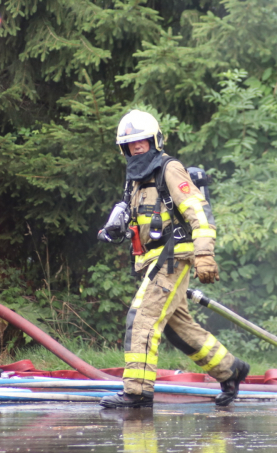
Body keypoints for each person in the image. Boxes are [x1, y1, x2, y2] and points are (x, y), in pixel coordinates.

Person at [97, 110, 249, 409]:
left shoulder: (169, 169)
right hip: (153, 262)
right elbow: (138, 223)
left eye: (142, 141)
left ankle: (137, 391)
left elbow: (198, 211)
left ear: (154, 140)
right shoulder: (136, 180)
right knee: (177, 328)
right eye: (131, 144)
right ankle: (230, 369)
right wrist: (115, 230)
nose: (137, 147)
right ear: (124, 149)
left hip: (173, 259)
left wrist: (205, 253)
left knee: (141, 320)